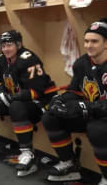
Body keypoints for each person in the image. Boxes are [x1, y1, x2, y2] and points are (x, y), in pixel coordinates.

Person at [42, 19, 107, 184]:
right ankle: (69, 164)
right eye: (86, 41)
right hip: (92, 111)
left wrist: (85, 106)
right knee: (51, 116)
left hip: (102, 116)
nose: (88, 45)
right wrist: (60, 100)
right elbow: (74, 90)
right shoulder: (81, 63)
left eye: (94, 41)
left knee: (96, 129)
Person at [0, 30, 57, 177]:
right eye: (3, 45)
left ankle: (27, 153)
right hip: (18, 99)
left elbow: (37, 90)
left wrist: (12, 98)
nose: (5, 49)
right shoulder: (1, 60)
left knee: (16, 107)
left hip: (41, 100)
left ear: (18, 45)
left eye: (9, 45)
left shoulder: (28, 59)